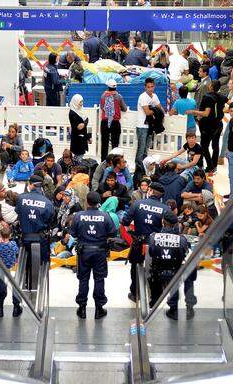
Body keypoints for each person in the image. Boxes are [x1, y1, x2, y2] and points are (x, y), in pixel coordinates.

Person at [70, 191, 117, 319]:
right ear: (98, 203)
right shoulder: (106, 216)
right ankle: (99, 308)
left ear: (87, 202)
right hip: (100, 252)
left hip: (84, 251)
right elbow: (112, 233)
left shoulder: (79, 216)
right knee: (99, 279)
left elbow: (73, 233)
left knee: (83, 279)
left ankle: (82, 308)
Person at [121, 182, 168, 301]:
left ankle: (135, 294)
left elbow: (125, 221)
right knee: (156, 269)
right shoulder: (165, 209)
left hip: (139, 242)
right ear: (161, 196)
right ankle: (155, 296)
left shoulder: (138, 204)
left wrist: (132, 233)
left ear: (150, 191)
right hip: (156, 243)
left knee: (136, 268)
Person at [147, 210, 195, 320]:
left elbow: (151, 252)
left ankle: (154, 303)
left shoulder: (153, 237)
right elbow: (184, 253)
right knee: (189, 274)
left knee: (153, 274)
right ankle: (178, 308)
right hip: (175, 272)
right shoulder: (182, 239)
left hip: (157, 271)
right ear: (175, 224)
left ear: (163, 222)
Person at [15, 175, 55, 288]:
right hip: (40, 238)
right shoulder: (47, 202)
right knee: (41, 263)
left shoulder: (21, 198)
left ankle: (26, 283)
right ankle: (38, 285)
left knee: (24, 262)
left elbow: (18, 212)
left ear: (31, 185)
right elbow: (50, 219)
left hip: (25, 237)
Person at [192, 80, 225, 173]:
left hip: (207, 125)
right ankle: (214, 165)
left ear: (211, 86)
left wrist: (194, 112)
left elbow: (205, 113)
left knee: (204, 145)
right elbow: (230, 102)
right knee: (215, 145)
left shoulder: (207, 97)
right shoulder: (221, 96)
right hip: (218, 124)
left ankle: (210, 165)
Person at [0, 226, 22, 318]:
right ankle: (16, 308)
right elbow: (16, 251)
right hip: (11, 267)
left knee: (0, 286)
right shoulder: (13, 244)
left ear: (0, 235)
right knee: (15, 285)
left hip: (1, 268)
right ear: (10, 235)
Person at [135, 78, 162, 171]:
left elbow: (160, 108)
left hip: (150, 125)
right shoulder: (143, 97)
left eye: (152, 86)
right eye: (148, 87)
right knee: (141, 148)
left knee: (146, 148)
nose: (150, 89)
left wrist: (154, 110)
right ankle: (138, 167)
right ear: (145, 87)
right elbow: (147, 112)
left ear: (154, 86)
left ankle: (145, 166)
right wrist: (155, 110)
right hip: (142, 125)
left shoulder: (154, 96)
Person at [100, 79, 127, 161]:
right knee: (115, 144)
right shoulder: (118, 97)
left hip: (105, 122)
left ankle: (103, 161)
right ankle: (115, 162)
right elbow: (124, 109)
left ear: (108, 86)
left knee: (104, 144)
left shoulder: (103, 96)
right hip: (115, 122)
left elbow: (102, 107)